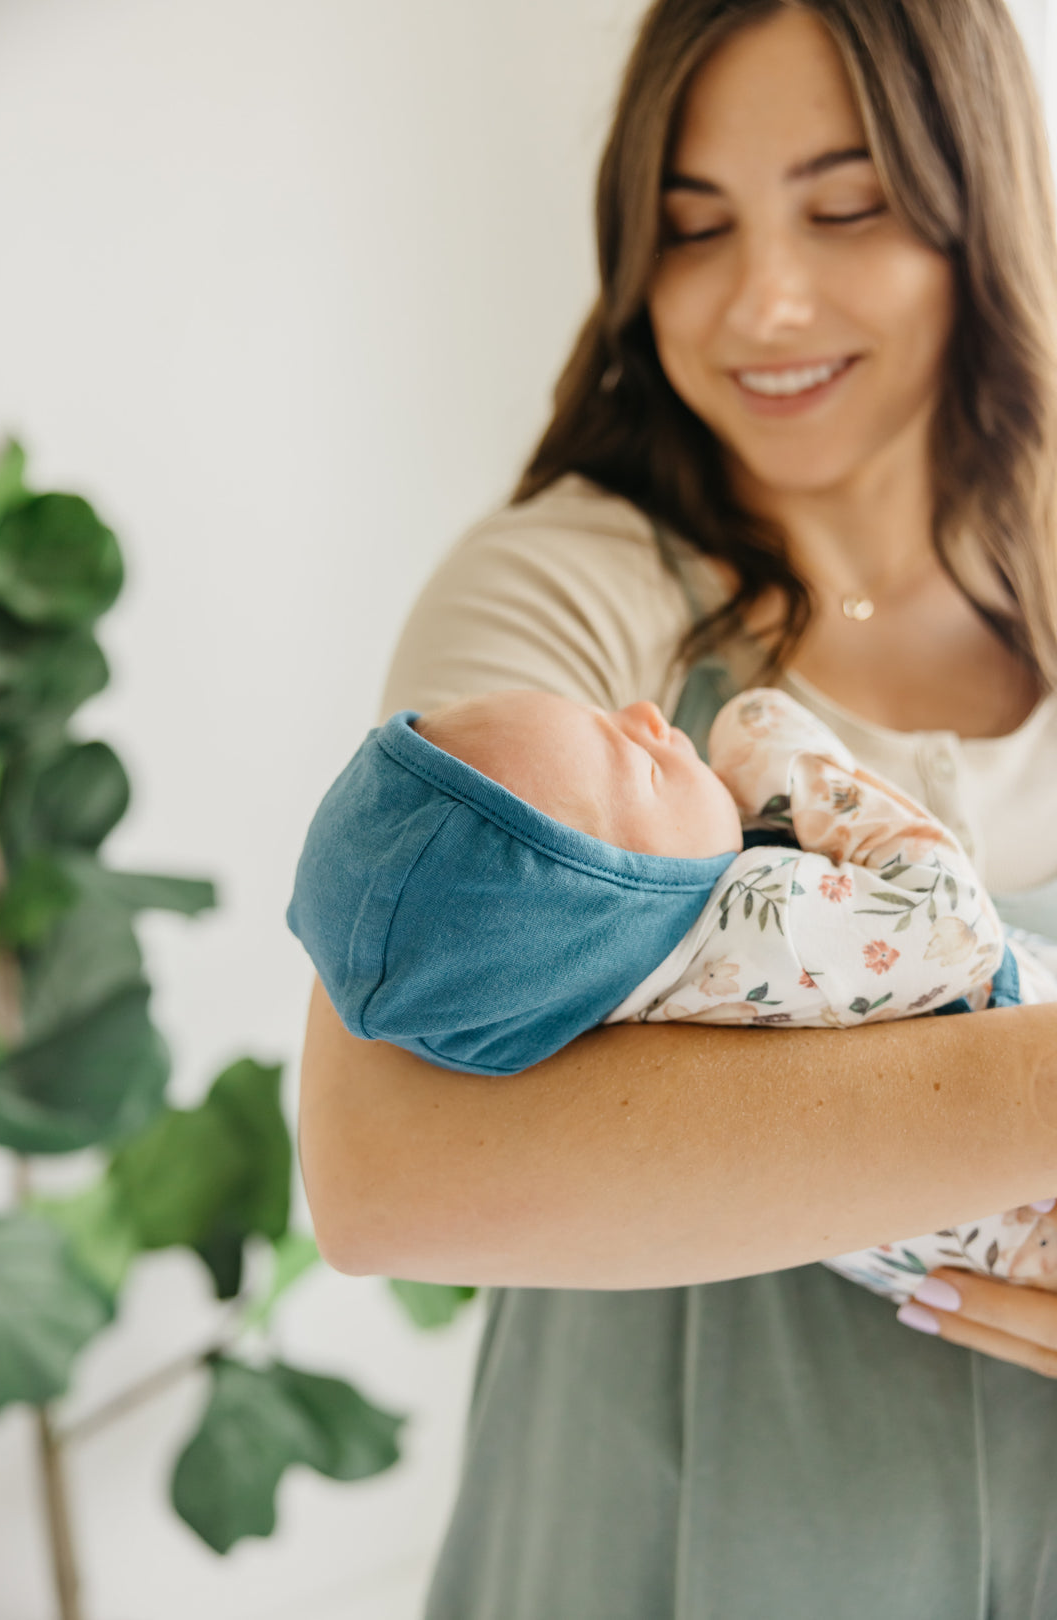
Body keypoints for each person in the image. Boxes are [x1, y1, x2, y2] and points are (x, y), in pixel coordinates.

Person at [291, 1, 1057, 1614]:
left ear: (982, 205)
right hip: (680, 1545)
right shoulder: (564, 597)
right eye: (692, 228)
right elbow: (385, 1175)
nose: (763, 302)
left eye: (847, 207)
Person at [287, 678, 1057, 1308]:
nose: (650, 716)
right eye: (644, 764)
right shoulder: (760, 931)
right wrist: (786, 758)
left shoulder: (607, 1004)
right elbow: (949, 924)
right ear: (626, 904)